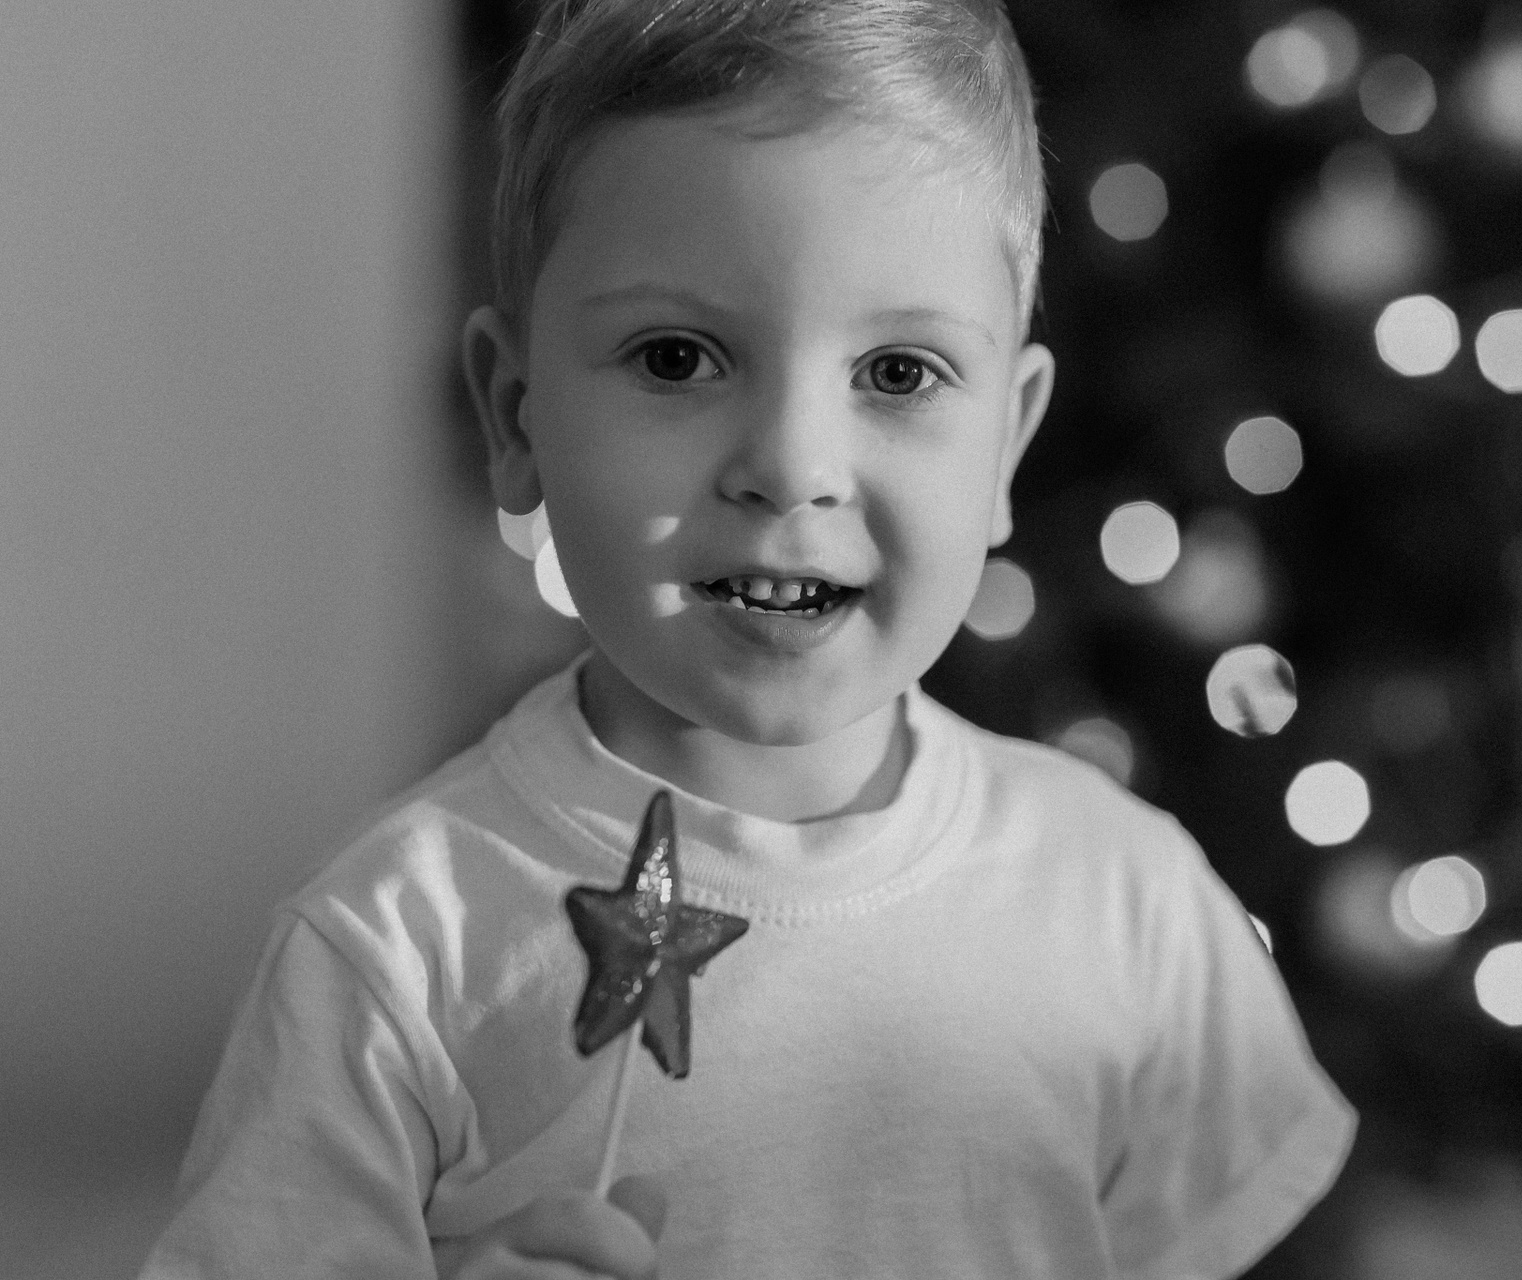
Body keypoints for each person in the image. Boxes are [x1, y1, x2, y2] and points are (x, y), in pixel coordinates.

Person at [139, 1, 1354, 1276]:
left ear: (1007, 441)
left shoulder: (1128, 903)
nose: (790, 464)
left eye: (898, 373)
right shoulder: (392, 946)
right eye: (678, 357)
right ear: (515, 415)